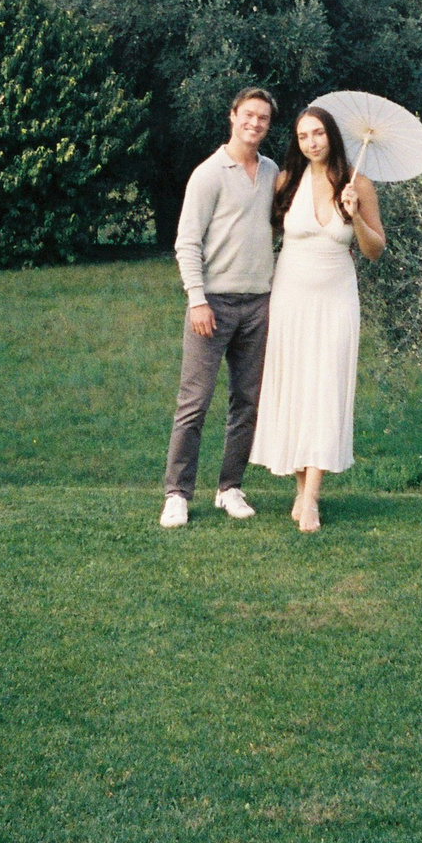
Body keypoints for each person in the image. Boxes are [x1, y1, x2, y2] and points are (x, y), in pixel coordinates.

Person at [248, 104, 384, 532]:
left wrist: (356, 214)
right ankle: (301, 489)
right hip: (291, 296)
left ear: (332, 136)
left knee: (325, 390)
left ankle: (311, 499)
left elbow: (374, 249)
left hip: (336, 299)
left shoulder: (358, 182)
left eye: (319, 133)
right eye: (304, 135)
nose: (312, 142)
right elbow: (260, 230)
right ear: (297, 141)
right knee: (295, 391)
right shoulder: (287, 181)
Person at [164, 86, 279, 528]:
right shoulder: (209, 173)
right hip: (211, 306)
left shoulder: (271, 172)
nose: (254, 124)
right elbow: (186, 242)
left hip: (258, 305)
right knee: (194, 403)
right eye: (248, 115)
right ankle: (177, 494)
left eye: (263, 119)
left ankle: (229, 487)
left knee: (246, 403)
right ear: (232, 116)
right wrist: (197, 299)